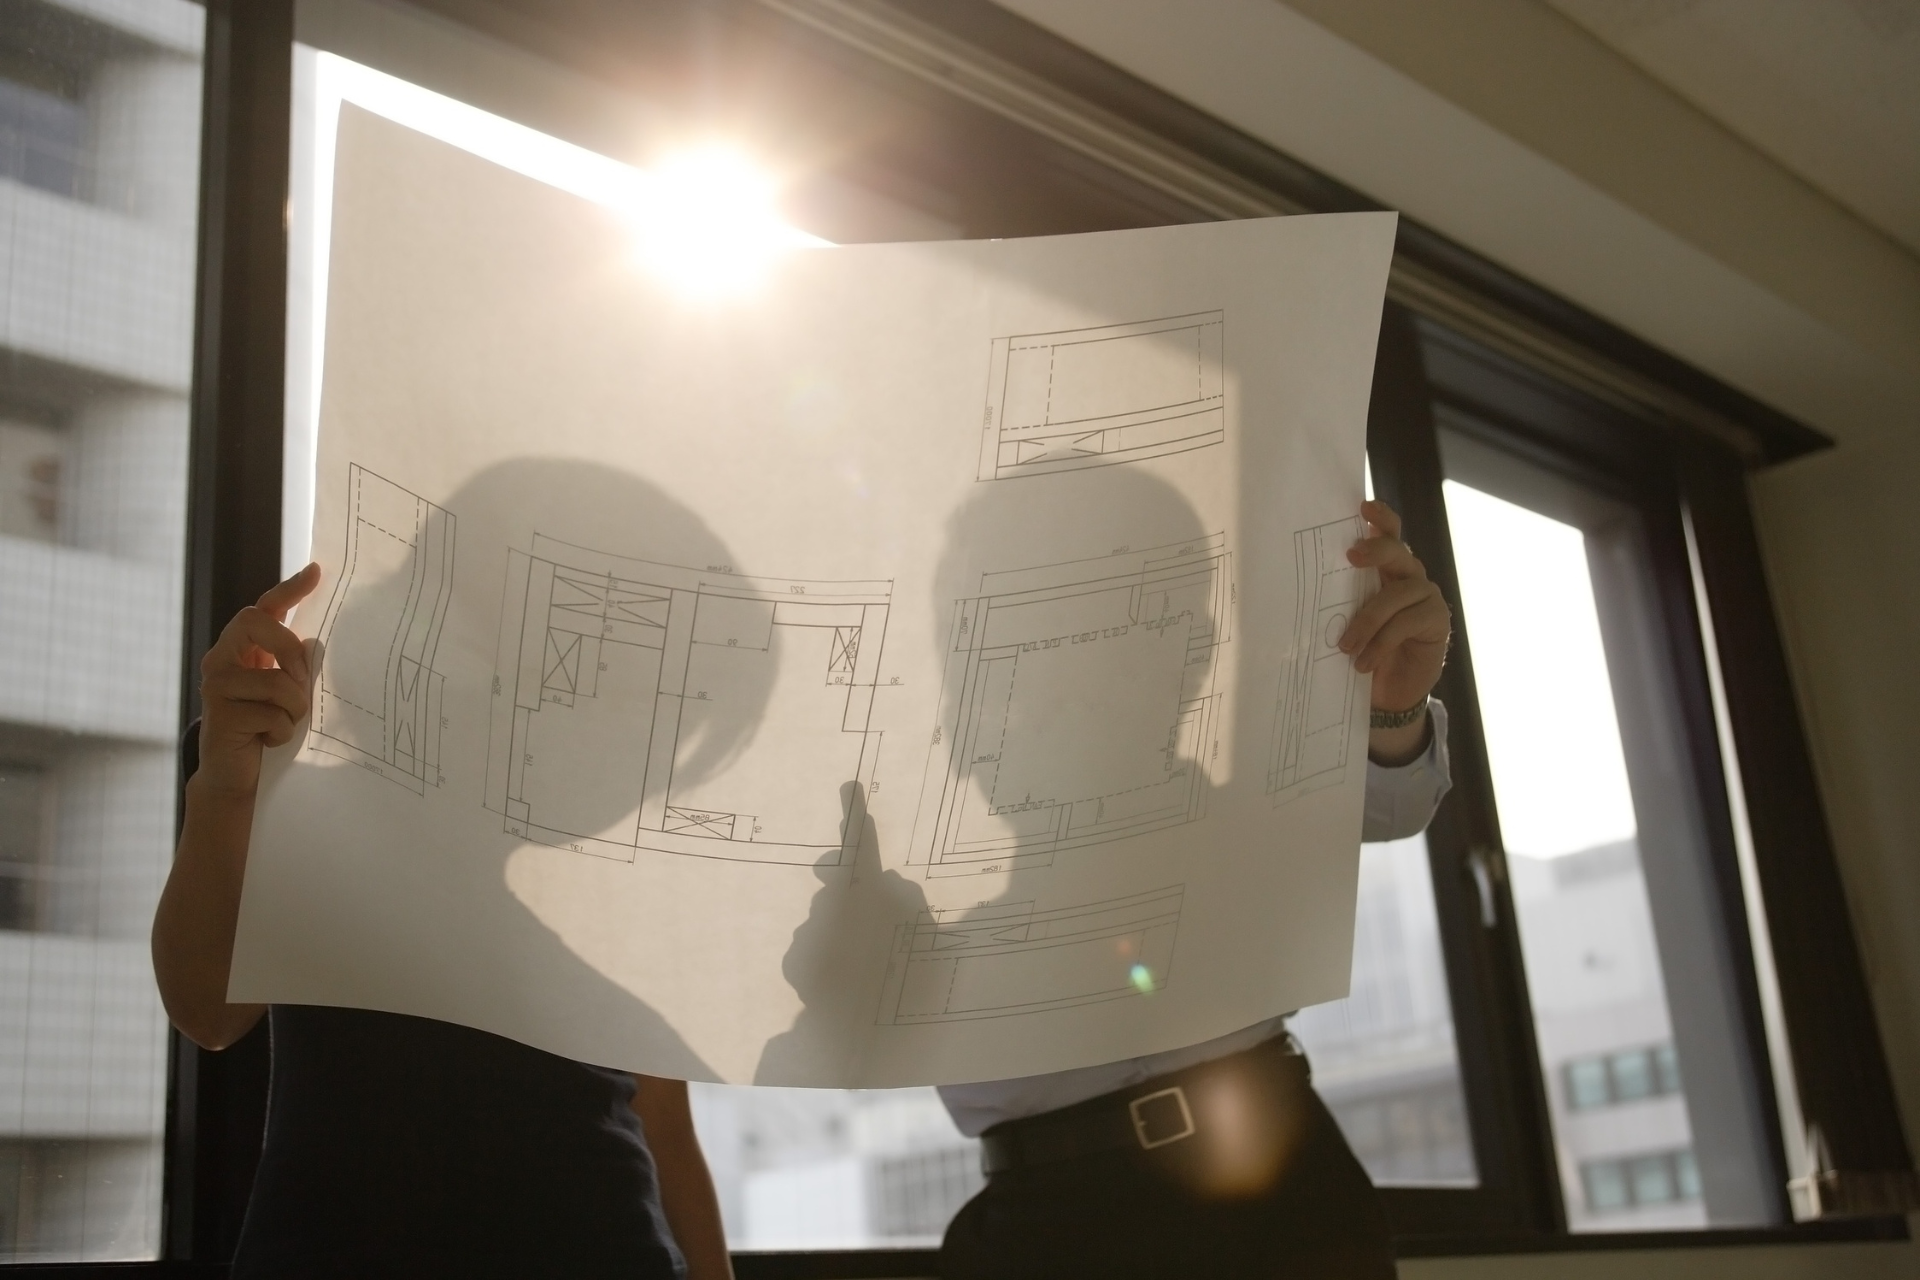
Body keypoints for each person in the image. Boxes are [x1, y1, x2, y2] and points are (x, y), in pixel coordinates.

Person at [152, 464, 745, 1279]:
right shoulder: (292, 779)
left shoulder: (606, 883)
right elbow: (207, 1010)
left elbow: (665, 1130)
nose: (643, 765)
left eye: (669, 735)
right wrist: (224, 788)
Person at [938, 498, 1453, 1280]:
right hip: (1039, 1220)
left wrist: (1393, 703)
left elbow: (1391, 804)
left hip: (1278, 1188)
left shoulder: (1232, 786)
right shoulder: (917, 858)